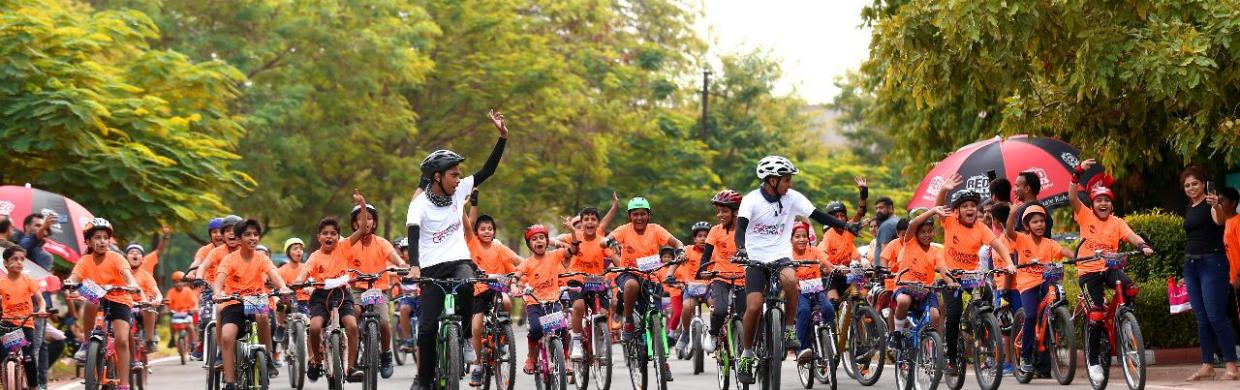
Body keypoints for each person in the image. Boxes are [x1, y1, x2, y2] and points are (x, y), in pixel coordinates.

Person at [406, 109, 509, 390]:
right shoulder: (419, 205)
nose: (458, 178)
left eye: (459, 175)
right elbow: (412, 237)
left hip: (458, 260)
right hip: (429, 268)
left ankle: (463, 337)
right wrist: (414, 266)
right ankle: (424, 379)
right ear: (437, 177)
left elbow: (488, 170)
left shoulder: (460, 191)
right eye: (454, 174)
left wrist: (502, 137)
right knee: (427, 328)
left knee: (466, 284)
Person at [733, 156, 859, 385]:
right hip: (755, 258)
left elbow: (818, 214)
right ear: (772, 180)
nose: (789, 184)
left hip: (780, 255)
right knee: (753, 306)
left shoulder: (792, 198)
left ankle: (789, 328)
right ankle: (747, 354)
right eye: (786, 180)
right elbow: (740, 229)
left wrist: (846, 225)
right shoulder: (751, 200)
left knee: (791, 280)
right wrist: (741, 249)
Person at [1067, 159, 1155, 383]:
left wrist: (1142, 245)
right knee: (1096, 314)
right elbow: (1072, 197)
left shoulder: (1117, 222)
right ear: (1093, 203)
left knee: (1131, 288)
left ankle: (1124, 319)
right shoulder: (1085, 215)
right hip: (1089, 272)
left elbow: (1132, 236)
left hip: (1109, 268)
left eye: (1107, 200)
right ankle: (1094, 361)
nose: (1103, 203)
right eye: (1099, 200)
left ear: (1112, 205)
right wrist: (1077, 174)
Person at [933, 174, 1015, 373]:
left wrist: (1010, 262)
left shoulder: (981, 228)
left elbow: (999, 246)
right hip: (950, 276)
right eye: (965, 206)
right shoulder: (950, 222)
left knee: (986, 294)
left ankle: (976, 324)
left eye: (972, 205)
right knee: (953, 315)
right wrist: (944, 189)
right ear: (957, 211)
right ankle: (951, 359)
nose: (970, 209)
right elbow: (937, 207)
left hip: (971, 276)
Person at [213, 219, 292, 390]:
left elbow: (275, 275)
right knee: (227, 336)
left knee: (263, 316)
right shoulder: (230, 259)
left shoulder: (262, 258)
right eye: (248, 235)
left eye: (255, 235)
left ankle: (267, 357)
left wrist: (283, 287)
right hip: (234, 302)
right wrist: (218, 293)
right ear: (239, 239)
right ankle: (230, 381)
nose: (252, 238)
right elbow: (218, 281)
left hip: (256, 300)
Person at [65, 218, 140, 390]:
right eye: (97, 237)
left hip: (120, 297)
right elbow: (75, 277)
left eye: (105, 238)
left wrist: (132, 284)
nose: (102, 241)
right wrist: (70, 282)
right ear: (89, 241)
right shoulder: (84, 261)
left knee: (121, 340)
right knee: (91, 301)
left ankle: (124, 384)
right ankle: (86, 343)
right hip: (97, 295)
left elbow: (127, 274)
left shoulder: (117, 258)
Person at [295, 207, 368, 383]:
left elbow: (362, 228)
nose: (329, 236)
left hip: (342, 294)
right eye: (325, 233)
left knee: (351, 325)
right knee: (314, 326)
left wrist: (363, 205)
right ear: (318, 237)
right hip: (320, 295)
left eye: (333, 233)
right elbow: (305, 272)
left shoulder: (344, 247)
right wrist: (299, 280)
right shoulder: (315, 256)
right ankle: (317, 361)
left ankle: (350, 368)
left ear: (338, 237)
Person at [1183, 166, 1240, 381]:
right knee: (1201, 317)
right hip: (1191, 265)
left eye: (1195, 183)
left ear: (1204, 183)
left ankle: (1231, 366)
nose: (1191, 188)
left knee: (1217, 316)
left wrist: (1216, 204)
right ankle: (1207, 365)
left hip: (1212, 263)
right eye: (1187, 185)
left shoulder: (1211, 204)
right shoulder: (1189, 207)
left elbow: (1219, 221)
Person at [461, 189, 521, 385]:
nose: (487, 232)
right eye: (483, 229)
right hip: (477, 291)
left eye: (490, 229)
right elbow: (468, 224)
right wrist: (470, 205)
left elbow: (519, 260)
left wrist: (535, 267)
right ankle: (477, 366)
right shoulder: (472, 243)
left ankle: (503, 337)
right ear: (477, 232)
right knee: (477, 327)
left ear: (494, 231)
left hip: (495, 289)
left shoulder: (499, 247)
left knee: (505, 301)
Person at [1004, 204, 1073, 373]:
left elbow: (1063, 250)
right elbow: (1008, 231)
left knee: (1057, 297)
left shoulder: (1050, 243)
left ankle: (1055, 321)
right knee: (1031, 315)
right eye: (1035, 222)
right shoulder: (1021, 239)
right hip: (1027, 284)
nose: (1040, 224)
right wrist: (1012, 212)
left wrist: (1076, 257)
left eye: (1042, 221)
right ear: (1027, 226)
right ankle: (1026, 356)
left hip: (1045, 280)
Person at [604, 197, 683, 343]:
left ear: (649, 215)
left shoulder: (656, 229)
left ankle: (662, 359)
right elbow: (604, 241)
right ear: (630, 216)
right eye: (635, 214)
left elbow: (677, 242)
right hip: (629, 274)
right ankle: (628, 322)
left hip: (651, 276)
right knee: (632, 285)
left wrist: (681, 250)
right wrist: (611, 241)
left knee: (656, 316)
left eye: (643, 214)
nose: (639, 217)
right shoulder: (624, 230)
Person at [346, 199, 407, 379]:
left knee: (383, 322)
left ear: (375, 222)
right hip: (357, 289)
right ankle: (352, 355)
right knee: (354, 313)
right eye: (361, 218)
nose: (366, 221)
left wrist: (402, 264)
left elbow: (394, 257)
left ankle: (386, 354)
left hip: (378, 289)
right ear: (355, 223)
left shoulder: (382, 242)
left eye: (370, 218)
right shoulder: (349, 243)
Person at [515, 225, 577, 374]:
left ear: (547, 241)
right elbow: (517, 274)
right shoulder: (527, 262)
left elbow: (572, 250)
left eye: (541, 238)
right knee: (536, 329)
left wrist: (573, 232)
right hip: (534, 303)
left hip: (553, 302)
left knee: (562, 329)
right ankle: (531, 357)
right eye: (534, 239)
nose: (538, 241)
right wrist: (513, 286)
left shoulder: (555, 255)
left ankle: (566, 359)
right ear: (529, 244)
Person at [891, 208, 949, 346]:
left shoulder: (935, 252)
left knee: (935, 316)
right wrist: (933, 210)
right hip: (906, 287)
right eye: (923, 232)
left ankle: (931, 347)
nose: (927, 235)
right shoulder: (910, 243)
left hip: (926, 290)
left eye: (930, 231)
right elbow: (913, 224)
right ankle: (897, 333)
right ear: (915, 234)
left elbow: (943, 270)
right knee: (903, 301)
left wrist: (952, 282)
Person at [564, 207, 613, 361]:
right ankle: (577, 341)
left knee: (604, 312)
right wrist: (547, 240)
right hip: (577, 278)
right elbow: (558, 241)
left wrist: (626, 269)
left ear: (598, 224)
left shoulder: (601, 241)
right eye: (586, 219)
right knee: (578, 306)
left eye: (593, 219)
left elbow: (616, 259)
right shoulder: (575, 235)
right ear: (582, 222)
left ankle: (601, 342)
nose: (590, 222)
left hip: (596, 280)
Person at [698, 189, 744, 354]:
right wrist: (703, 270)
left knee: (748, 314)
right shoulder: (716, 230)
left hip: (743, 279)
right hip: (721, 278)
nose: (719, 215)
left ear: (736, 212)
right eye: (718, 211)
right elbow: (706, 256)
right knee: (720, 310)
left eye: (724, 211)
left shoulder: (747, 231)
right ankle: (713, 333)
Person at [1, 247, 48, 388]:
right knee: (2, 354)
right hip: (7, 324)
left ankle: (33, 386)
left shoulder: (29, 280)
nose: (19, 262)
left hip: (26, 323)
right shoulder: (1, 282)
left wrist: (42, 309)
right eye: (15, 259)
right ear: (5, 263)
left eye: (22, 259)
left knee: (29, 358)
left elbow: (40, 300)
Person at [790, 221, 835, 362]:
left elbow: (827, 264)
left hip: (817, 290)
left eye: (804, 236)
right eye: (797, 236)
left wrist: (834, 270)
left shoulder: (814, 251)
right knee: (804, 312)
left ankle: (828, 339)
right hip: (799, 292)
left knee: (829, 309)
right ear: (791, 239)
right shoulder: (787, 254)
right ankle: (802, 349)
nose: (802, 239)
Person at [672, 221, 710, 355]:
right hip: (691, 288)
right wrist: (670, 274)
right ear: (694, 239)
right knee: (687, 307)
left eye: (706, 236)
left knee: (716, 307)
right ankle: (685, 333)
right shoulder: (688, 250)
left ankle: (716, 333)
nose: (703, 238)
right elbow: (677, 262)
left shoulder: (713, 251)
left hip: (708, 288)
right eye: (699, 236)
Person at [123, 243, 163, 353]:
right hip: (122, 306)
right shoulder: (120, 272)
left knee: (148, 309)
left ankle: (150, 340)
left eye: (138, 253)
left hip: (140, 307)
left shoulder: (146, 275)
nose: (135, 254)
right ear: (125, 257)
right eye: (131, 252)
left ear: (142, 259)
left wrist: (157, 300)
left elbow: (157, 293)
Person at [274, 238, 307, 346]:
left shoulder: (307, 268)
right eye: (295, 249)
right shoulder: (282, 270)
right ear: (288, 252)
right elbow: (277, 286)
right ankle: (281, 325)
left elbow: (314, 282)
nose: (299, 251)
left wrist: (310, 289)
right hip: (289, 301)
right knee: (281, 303)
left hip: (305, 301)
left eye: (301, 249)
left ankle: (313, 358)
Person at [165, 271, 199, 353]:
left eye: (180, 281)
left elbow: (195, 302)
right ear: (173, 283)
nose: (178, 284)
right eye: (176, 282)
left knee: (190, 327)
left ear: (184, 282)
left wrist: (194, 309)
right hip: (176, 314)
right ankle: (172, 337)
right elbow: (167, 303)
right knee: (172, 324)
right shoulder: (171, 292)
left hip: (187, 313)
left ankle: (193, 343)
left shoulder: (188, 291)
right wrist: (166, 310)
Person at [1013, 171, 1053, 238]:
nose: (1014, 190)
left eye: (1017, 186)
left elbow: (1019, 239)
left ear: (1027, 189)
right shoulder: (1043, 209)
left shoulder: (1023, 210)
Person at [873, 197, 899, 264]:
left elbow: (885, 253)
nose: (878, 211)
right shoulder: (898, 221)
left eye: (881, 208)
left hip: (884, 270)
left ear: (890, 208)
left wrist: (883, 272)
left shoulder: (887, 225)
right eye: (876, 208)